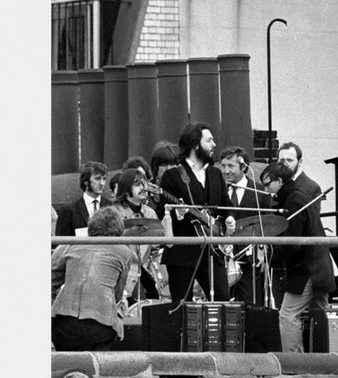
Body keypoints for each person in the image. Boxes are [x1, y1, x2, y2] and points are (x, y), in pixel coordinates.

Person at [263, 161, 335, 353]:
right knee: (320, 315)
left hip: (307, 270)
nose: (266, 189)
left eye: (267, 184)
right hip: (317, 266)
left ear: (279, 181)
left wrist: (270, 260)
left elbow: (292, 242)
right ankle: (317, 360)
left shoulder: (294, 200)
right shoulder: (296, 197)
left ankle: (294, 361)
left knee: (287, 315)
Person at [156, 121, 230, 305]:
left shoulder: (216, 174)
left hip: (212, 251)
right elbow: (162, 212)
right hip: (183, 253)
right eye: (209, 141)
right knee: (183, 306)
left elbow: (225, 204)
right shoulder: (173, 176)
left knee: (223, 301)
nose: (214, 145)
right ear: (196, 145)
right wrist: (178, 214)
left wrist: (229, 219)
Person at [51, 206, 134, 351]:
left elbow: (50, 281)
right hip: (101, 325)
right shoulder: (125, 252)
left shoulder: (68, 245)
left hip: (63, 323)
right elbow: (117, 295)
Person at [220, 144, 272, 305]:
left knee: (250, 307)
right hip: (222, 260)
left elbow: (269, 225)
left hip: (250, 262)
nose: (226, 170)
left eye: (231, 166)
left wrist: (263, 251)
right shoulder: (217, 190)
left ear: (243, 166)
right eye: (223, 166)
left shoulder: (259, 192)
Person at [112, 167, 161, 300]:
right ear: (126, 188)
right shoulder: (113, 213)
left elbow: (156, 247)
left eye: (144, 183)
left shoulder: (150, 213)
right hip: (123, 271)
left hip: (147, 271)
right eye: (138, 184)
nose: (143, 187)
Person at [55, 160, 108, 236]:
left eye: (104, 179)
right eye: (97, 178)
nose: (102, 183)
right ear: (85, 181)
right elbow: (61, 243)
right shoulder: (68, 211)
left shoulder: (111, 206)